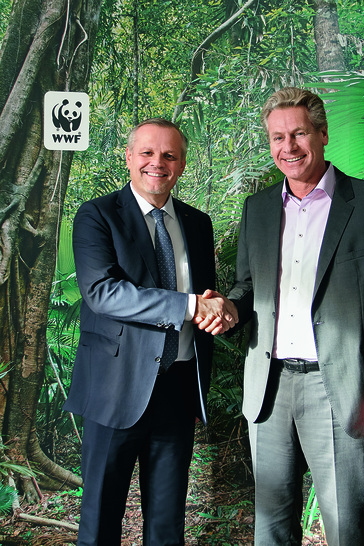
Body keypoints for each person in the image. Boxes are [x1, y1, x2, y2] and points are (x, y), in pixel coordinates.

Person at [219, 87, 364, 545]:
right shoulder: (258, 210)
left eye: (299, 134)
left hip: (340, 389)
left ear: (323, 134)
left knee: (347, 524)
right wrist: (228, 306)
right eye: (277, 137)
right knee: (271, 527)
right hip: (268, 389)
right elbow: (248, 289)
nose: (288, 147)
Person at [64, 118, 238, 546]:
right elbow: (103, 293)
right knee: (100, 521)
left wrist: (217, 311)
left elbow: (204, 297)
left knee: (166, 525)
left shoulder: (198, 223)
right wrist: (190, 305)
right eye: (147, 152)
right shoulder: (97, 215)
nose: (157, 163)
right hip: (114, 391)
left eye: (169, 155)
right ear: (129, 157)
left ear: (181, 164)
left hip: (177, 390)